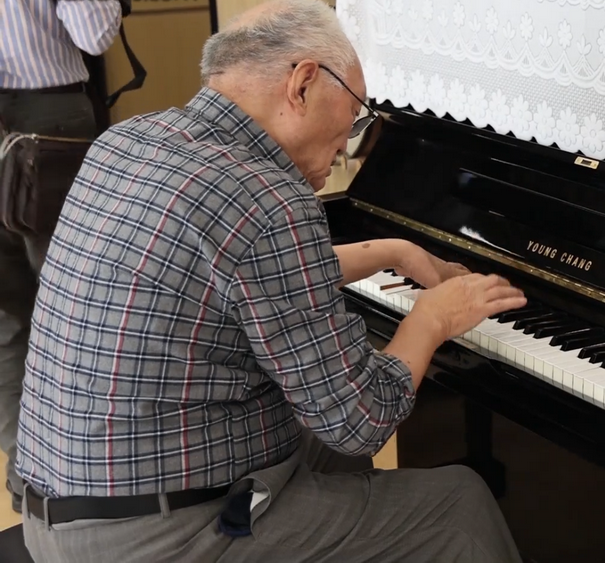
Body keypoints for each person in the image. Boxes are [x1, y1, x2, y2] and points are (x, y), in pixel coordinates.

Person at [15, 0, 528, 560]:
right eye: (355, 114)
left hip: (61, 513)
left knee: (329, 453)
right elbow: (362, 419)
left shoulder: (129, 141)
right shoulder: (269, 197)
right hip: (158, 539)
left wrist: (395, 251)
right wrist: (432, 318)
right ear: (303, 84)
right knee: (458, 505)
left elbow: (240, 274)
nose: (347, 146)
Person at [0, 0, 123, 514]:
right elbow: (95, 33)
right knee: (75, 303)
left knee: (5, 316)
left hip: (45, 121)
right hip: (50, 119)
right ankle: (85, 469)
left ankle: (26, 474)